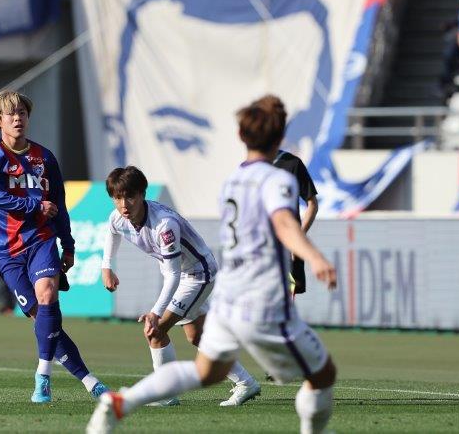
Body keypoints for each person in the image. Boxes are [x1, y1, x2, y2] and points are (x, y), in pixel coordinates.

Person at [87, 95, 338, 434]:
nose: (123, 204)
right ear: (280, 138)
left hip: (228, 287)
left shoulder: (233, 181)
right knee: (323, 373)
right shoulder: (277, 179)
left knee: (207, 369)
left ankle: (123, 402)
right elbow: (284, 222)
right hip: (262, 296)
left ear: (241, 137)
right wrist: (315, 256)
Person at [0, 90, 108, 403]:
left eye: (22, 113)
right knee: (43, 321)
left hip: (41, 239)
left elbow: (58, 203)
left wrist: (68, 244)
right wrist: (34, 205)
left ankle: (42, 376)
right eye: (11, 114)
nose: (17, 118)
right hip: (6, 251)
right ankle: (90, 382)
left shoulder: (44, 158)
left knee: (47, 295)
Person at [101, 166, 260, 407]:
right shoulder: (118, 217)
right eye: (117, 198)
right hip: (181, 275)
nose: (124, 204)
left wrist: (156, 313)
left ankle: (165, 394)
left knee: (155, 331)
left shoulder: (164, 225)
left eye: (130, 196)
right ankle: (246, 383)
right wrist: (106, 266)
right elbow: (112, 231)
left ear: (142, 194)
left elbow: (174, 275)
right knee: (198, 336)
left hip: (198, 274)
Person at [272, 147, 318, 296]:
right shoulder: (250, 167)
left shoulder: (292, 163)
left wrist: (298, 239)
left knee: (284, 307)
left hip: (287, 250)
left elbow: (312, 204)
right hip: (261, 253)